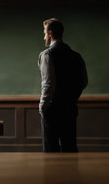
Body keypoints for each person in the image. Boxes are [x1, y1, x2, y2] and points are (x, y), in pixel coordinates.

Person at [38, 18, 88, 152]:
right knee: (70, 148)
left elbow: (48, 84)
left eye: (44, 32)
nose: (44, 36)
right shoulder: (76, 56)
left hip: (52, 109)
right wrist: (71, 98)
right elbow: (84, 81)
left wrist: (42, 107)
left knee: (51, 150)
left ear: (50, 33)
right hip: (70, 107)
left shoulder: (47, 54)